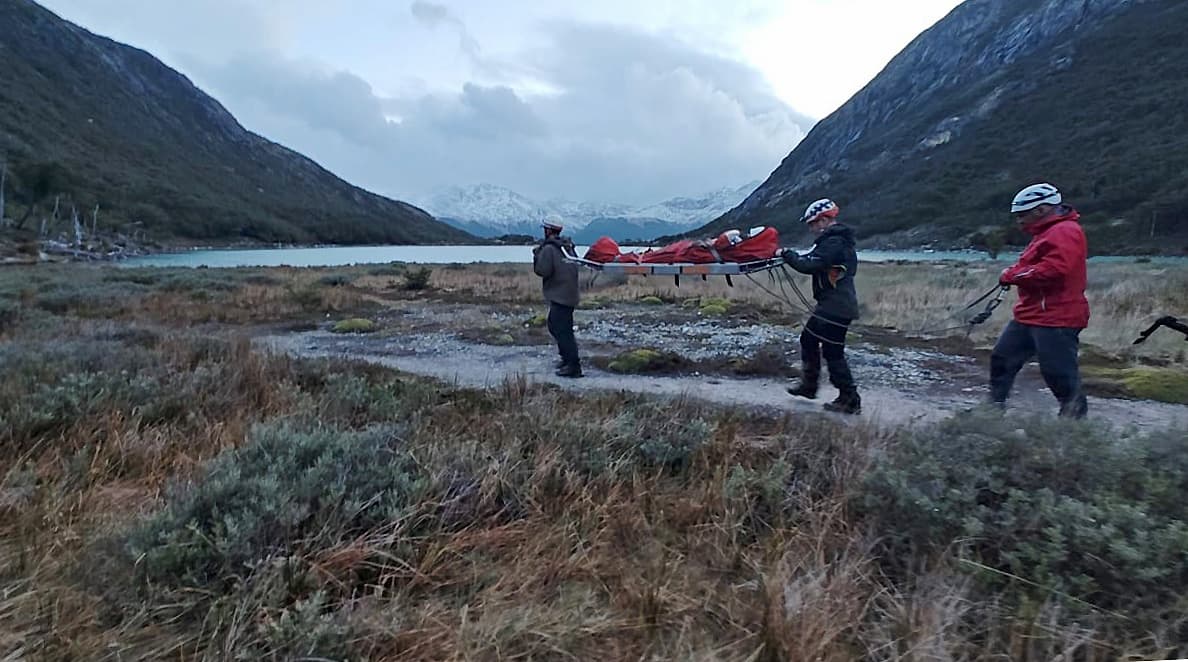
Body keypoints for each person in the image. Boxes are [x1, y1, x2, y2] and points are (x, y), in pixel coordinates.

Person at [991, 183, 1089, 418]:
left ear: (1043, 209)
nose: (1019, 221)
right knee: (1002, 359)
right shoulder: (1045, 233)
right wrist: (1015, 272)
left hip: (1057, 317)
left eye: (1023, 215)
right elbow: (1032, 265)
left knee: (1059, 374)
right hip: (1031, 314)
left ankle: (1074, 428)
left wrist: (1012, 275)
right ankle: (991, 412)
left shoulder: (1065, 231)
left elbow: (1055, 269)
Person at [779, 198, 861, 414]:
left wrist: (787, 255)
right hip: (834, 304)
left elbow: (810, 264)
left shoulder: (834, 242)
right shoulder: (832, 241)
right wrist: (792, 256)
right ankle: (810, 386)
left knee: (833, 352)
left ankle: (848, 399)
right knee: (809, 339)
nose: (811, 228)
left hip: (836, 306)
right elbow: (812, 258)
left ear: (824, 220)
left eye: (813, 223)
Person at [533, 219, 583, 378]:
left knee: (561, 330)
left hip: (560, 295)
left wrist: (536, 256)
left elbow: (543, 271)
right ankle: (567, 360)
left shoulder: (549, 249)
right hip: (570, 293)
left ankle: (573, 365)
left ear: (548, 230)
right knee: (560, 327)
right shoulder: (567, 246)